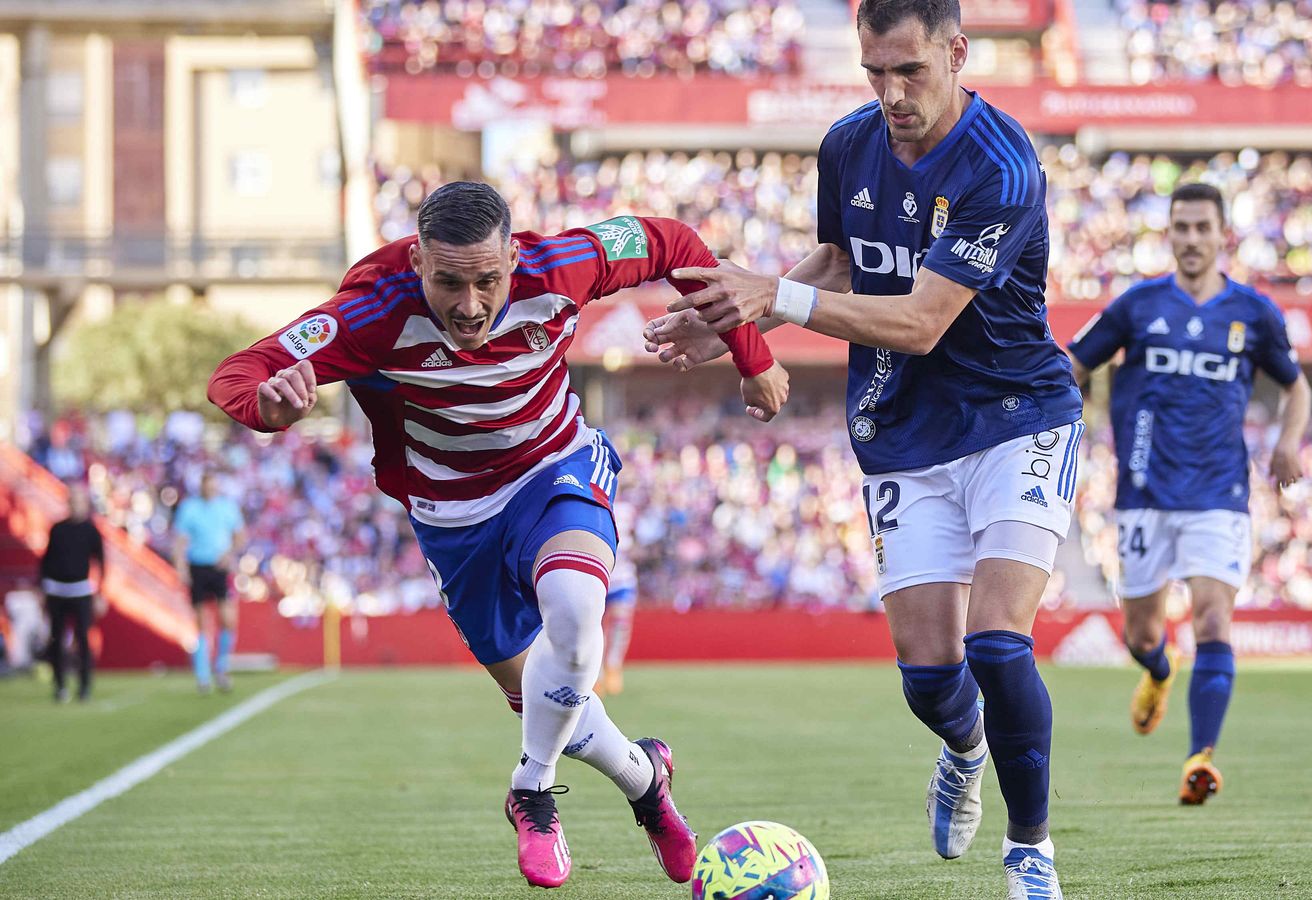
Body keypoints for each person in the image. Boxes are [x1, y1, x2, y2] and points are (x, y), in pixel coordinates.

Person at [207, 181, 787, 889]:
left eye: (488, 279)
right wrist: (267, 406)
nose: (471, 304)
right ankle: (646, 782)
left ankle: (530, 792)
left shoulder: (565, 265)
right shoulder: (370, 315)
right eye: (448, 281)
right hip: (455, 517)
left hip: (555, 468)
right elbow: (241, 371)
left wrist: (752, 357)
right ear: (417, 259)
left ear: (513, 255)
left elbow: (676, 245)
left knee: (576, 613)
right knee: (554, 705)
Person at [645, 2, 1083, 895]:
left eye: (909, 72)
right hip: (903, 432)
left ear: (957, 53)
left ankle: (1031, 850)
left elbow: (921, 321)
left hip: (1015, 417)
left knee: (999, 644)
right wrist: (733, 322)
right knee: (931, 680)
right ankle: (964, 750)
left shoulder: (1002, 164)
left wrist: (769, 298)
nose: (890, 94)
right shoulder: (848, 145)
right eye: (874, 73)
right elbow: (842, 263)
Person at [1064, 182, 1312, 805]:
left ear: (1224, 234)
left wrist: (1288, 441)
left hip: (1219, 494)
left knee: (1212, 619)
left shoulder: (1253, 313)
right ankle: (1158, 672)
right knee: (1142, 635)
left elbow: (1296, 386)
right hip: (1144, 495)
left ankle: (1200, 758)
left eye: (1204, 227)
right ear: (1169, 234)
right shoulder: (1137, 306)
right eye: (1182, 227)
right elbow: (1073, 365)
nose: (1193, 238)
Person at [172, 473, 245, 694]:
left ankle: (221, 667)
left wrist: (230, 555)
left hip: (219, 567)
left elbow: (240, 536)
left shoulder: (227, 508)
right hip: (198, 567)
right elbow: (180, 541)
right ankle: (203, 675)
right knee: (201, 621)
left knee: (228, 619)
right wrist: (181, 567)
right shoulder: (190, 508)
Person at [39, 484, 105, 702]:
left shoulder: (91, 530)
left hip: (80, 591)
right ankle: (60, 686)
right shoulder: (57, 529)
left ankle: (84, 686)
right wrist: (42, 587)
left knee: (83, 639)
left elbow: (101, 562)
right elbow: (46, 560)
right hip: (57, 591)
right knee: (56, 639)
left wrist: (100, 593)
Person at [596, 545, 637, 697]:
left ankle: (613, 667)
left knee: (620, 624)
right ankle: (596, 674)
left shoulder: (630, 520)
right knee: (595, 627)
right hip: (597, 574)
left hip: (622, 577)